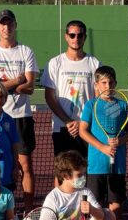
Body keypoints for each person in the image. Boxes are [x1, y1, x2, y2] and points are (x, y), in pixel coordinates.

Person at [0, 8, 39, 213]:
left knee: (25, 168)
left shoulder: (26, 51)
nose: (6, 27)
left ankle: (28, 212)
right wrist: (17, 80)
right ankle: (0, 210)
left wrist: (1, 83)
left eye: (10, 23)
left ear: (15, 25)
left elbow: (30, 88)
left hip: (21, 117)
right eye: (2, 23)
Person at [79, 66, 128, 220]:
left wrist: (120, 140)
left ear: (116, 83)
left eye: (110, 82)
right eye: (103, 82)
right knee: (95, 202)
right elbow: (83, 131)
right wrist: (102, 147)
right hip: (96, 165)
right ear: (96, 85)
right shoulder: (91, 105)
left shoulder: (123, 105)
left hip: (117, 164)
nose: (107, 85)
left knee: (116, 203)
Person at [41, 19, 100, 158]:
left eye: (80, 35)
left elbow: (98, 98)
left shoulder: (94, 63)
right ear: (66, 36)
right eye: (72, 35)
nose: (76, 38)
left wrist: (83, 122)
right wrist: (68, 121)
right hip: (62, 127)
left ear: (85, 37)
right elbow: (49, 97)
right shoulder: (55, 63)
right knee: (62, 173)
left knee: (86, 171)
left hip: (87, 128)